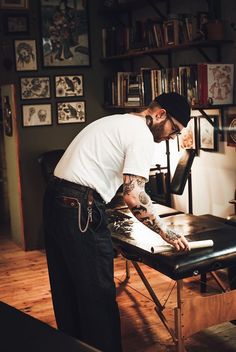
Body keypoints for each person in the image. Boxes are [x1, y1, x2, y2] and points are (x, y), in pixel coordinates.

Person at [43, 92, 191, 352]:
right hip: (79, 205)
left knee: (66, 289)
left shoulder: (117, 121)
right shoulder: (142, 135)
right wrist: (166, 232)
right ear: (160, 115)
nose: (173, 136)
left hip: (55, 199)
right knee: (97, 295)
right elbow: (134, 196)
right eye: (175, 129)